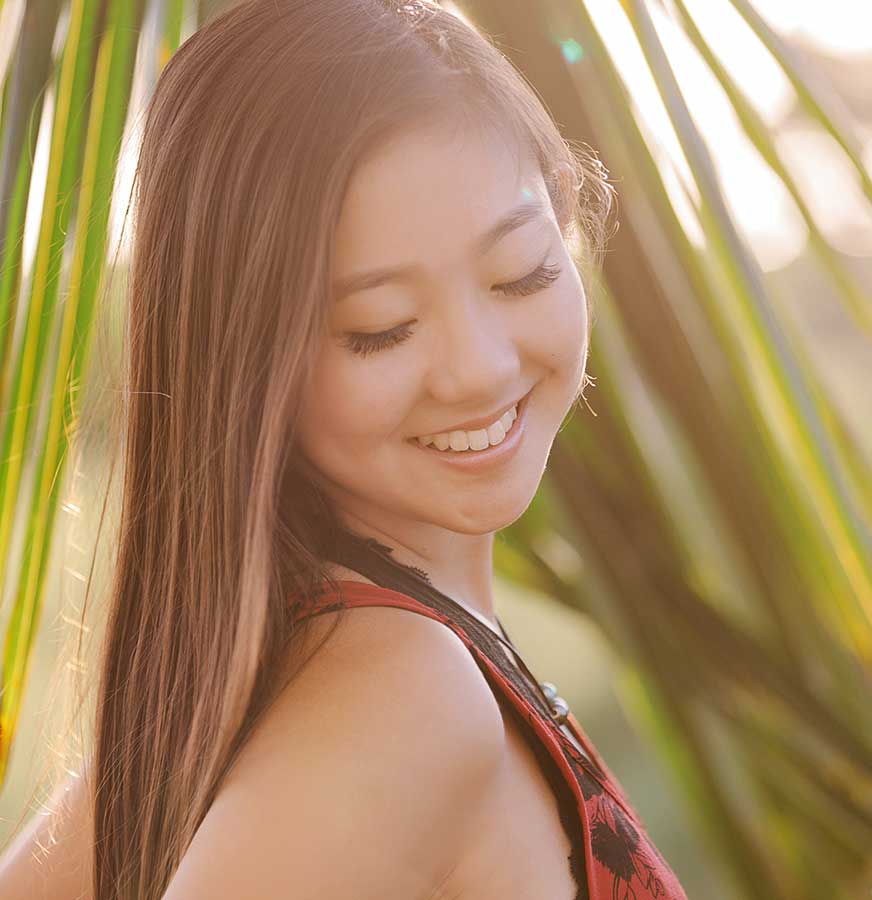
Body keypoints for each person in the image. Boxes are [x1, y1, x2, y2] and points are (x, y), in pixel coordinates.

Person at [0, 0, 689, 897]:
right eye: (381, 328)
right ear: (243, 362)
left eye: (521, 271)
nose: (479, 370)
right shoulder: (404, 701)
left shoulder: (260, 669)